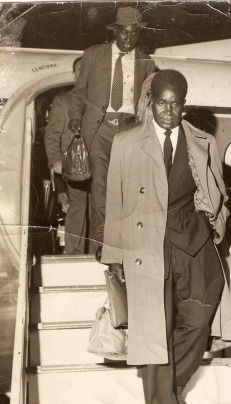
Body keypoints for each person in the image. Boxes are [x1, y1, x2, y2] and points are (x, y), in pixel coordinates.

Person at [101, 70, 231, 404]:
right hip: (147, 247)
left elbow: (218, 191)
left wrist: (217, 222)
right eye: (162, 102)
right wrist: (114, 258)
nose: (169, 110)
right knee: (154, 336)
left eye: (176, 103)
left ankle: (163, 381)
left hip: (191, 241)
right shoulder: (126, 143)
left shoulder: (202, 141)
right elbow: (116, 202)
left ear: (184, 104)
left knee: (201, 313)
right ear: (150, 102)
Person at [68, 6, 156, 257]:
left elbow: (148, 102)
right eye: (124, 33)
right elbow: (80, 92)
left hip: (130, 130)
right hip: (100, 128)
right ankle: (101, 249)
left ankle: (124, 249)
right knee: (100, 191)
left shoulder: (147, 62)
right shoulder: (93, 55)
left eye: (134, 34)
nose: (128, 39)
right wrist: (75, 118)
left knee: (127, 192)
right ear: (115, 31)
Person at [45, 57, 88, 254]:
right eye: (79, 70)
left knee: (99, 211)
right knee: (77, 210)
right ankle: (75, 256)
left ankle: (98, 257)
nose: (82, 74)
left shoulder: (100, 102)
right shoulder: (62, 100)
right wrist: (56, 161)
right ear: (74, 74)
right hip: (73, 167)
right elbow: (52, 134)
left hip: (99, 165)